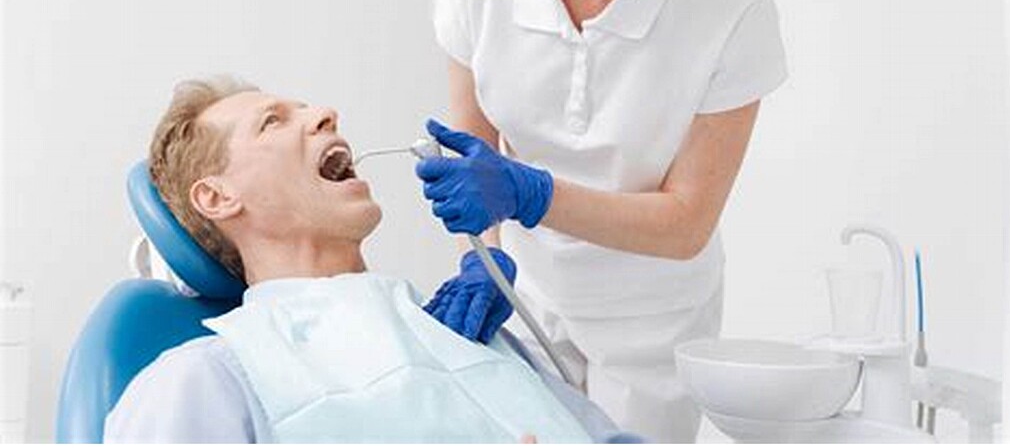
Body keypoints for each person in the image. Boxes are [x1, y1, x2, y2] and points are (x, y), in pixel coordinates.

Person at [415, 0, 788, 442]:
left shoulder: (728, 1)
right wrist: (485, 258)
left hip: (652, 325)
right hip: (526, 296)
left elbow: (686, 223)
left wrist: (532, 194)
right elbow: (475, 151)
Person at [103, 77, 635, 444]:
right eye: (272, 122)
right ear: (217, 197)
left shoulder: (471, 335)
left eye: (305, 107)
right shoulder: (203, 381)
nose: (324, 113)